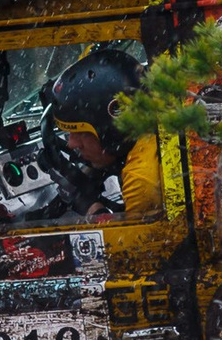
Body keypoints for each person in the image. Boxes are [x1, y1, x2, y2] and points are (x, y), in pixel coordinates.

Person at [37, 48, 161, 223]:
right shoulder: (157, 115)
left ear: (112, 131)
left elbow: (134, 239)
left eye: (80, 133)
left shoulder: (142, 179)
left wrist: (90, 206)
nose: (71, 144)